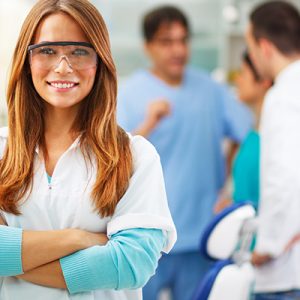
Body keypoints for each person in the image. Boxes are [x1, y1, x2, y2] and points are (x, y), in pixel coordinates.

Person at [0, 1, 177, 299]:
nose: (63, 67)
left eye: (79, 51)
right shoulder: (3, 151)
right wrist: (79, 238)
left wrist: (11, 258)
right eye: (47, 51)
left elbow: (130, 265)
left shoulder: (134, 157)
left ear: (100, 61)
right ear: (26, 60)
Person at [117, 5, 252, 300]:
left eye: (182, 40)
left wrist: (229, 185)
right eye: (167, 42)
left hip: (201, 234)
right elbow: (112, 158)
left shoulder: (211, 89)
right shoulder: (128, 94)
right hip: (146, 234)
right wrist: (148, 124)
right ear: (148, 47)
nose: (178, 49)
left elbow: (247, 135)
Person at [245, 1, 300, 299]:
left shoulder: (282, 96)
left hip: (287, 274)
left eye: (250, 47)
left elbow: (286, 177)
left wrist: (267, 245)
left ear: (264, 47)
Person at [214, 51, 272, 213]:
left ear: (264, 81)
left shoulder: (273, 138)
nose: (238, 80)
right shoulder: (253, 134)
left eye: (243, 73)